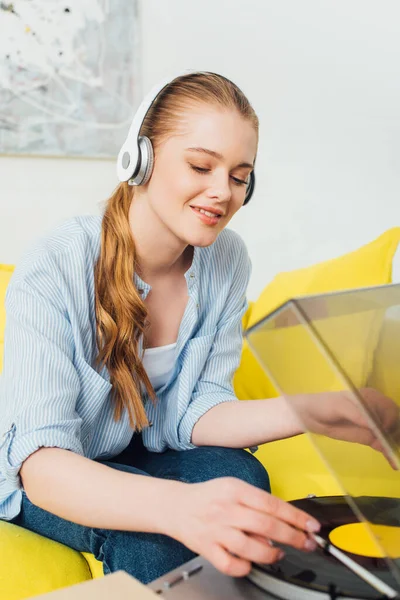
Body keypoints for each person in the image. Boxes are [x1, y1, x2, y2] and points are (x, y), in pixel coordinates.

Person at [0, 71, 398, 585]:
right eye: (200, 166)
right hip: (51, 472)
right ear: (139, 159)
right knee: (157, 532)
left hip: (137, 451)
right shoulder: (56, 264)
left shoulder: (226, 261)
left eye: (238, 176)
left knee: (241, 480)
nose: (221, 194)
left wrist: (309, 410)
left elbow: (194, 412)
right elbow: (43, 464)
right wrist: (175, 506)